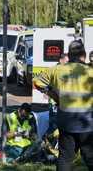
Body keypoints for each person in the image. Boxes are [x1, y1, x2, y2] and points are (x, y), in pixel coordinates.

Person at [33, 40, 93, 171]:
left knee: (65, 157)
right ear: (83, 55)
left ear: (69, 55)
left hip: (66, 121)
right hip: (87, 123)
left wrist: (54, 96)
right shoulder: (90, 71)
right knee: (90, 157)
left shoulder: (57, 70)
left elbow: (36, 82)